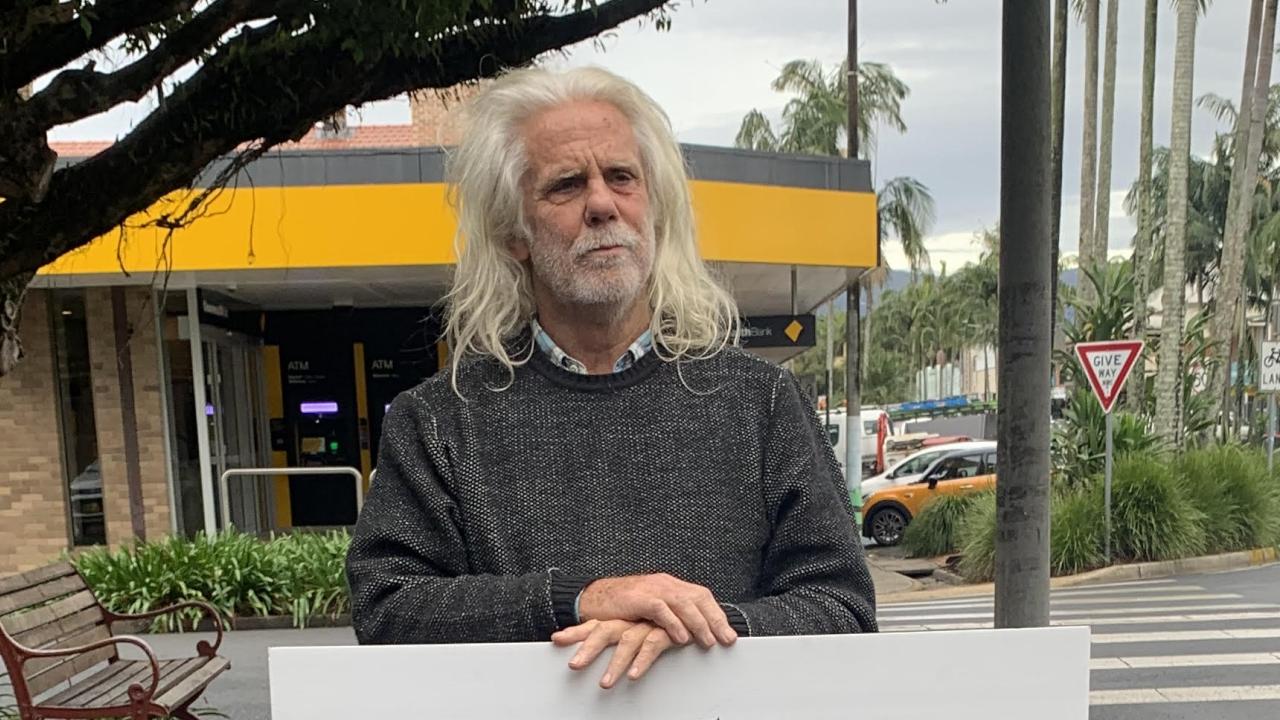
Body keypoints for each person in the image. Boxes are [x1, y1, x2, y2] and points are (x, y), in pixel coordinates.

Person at [345, 66, 877, 690]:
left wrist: (693, 627)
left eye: (622, 177)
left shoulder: (760, 402)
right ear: (514, 233)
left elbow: (842, 604)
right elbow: (387, 607)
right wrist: (575, 599)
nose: (602, 204)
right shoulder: (438, 420)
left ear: (653, 206)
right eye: (566, 185)